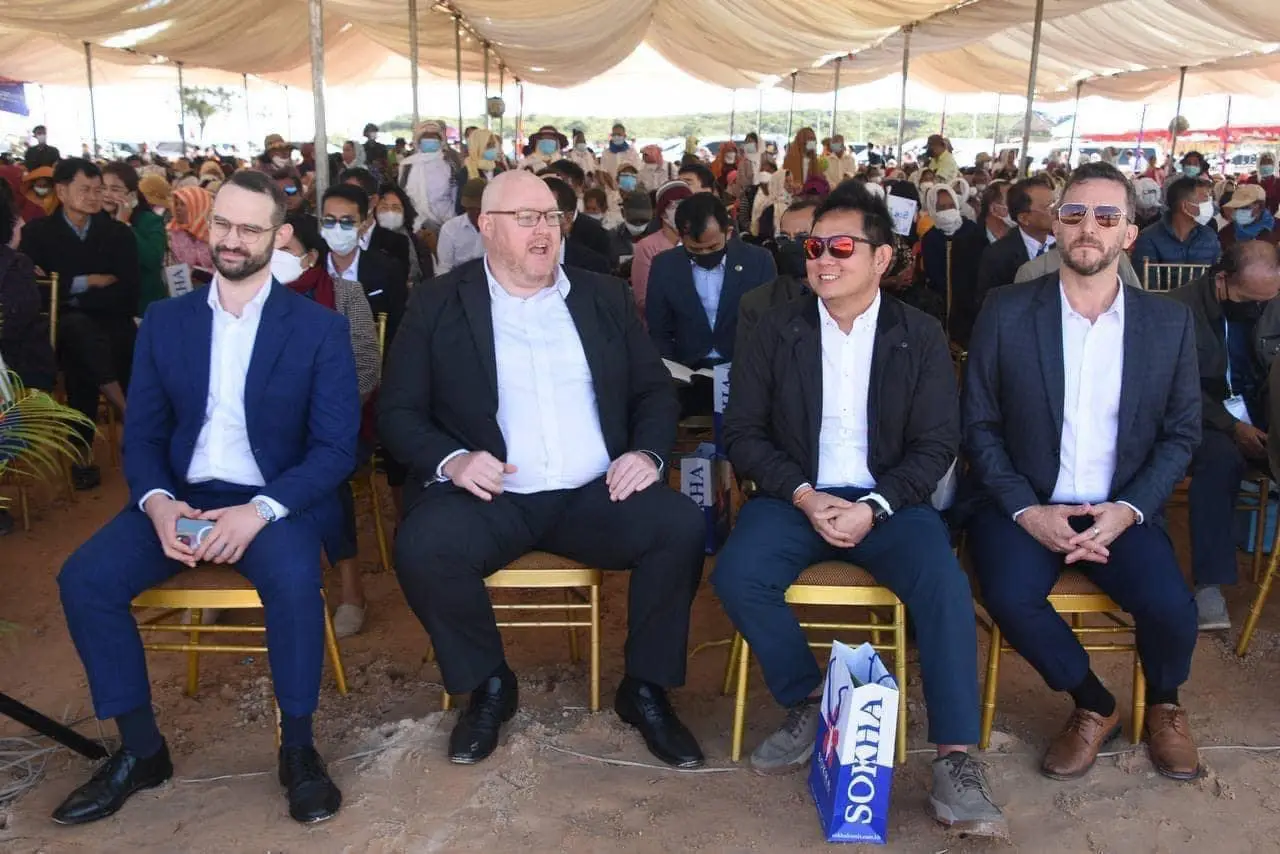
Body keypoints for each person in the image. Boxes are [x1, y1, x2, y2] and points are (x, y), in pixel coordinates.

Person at [53, 170, 359, 826]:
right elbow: (143, 436)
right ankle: (143, 751)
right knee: (84, 579)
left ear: (279, 235)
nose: (231, 239)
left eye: (249, 228)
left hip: (273, 501)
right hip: (183, 498)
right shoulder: (168, 321)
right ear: (206, 225)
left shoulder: (317, 329)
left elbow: (336, 449)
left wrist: (260, 510)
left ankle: (298, 749)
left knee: (295, 580)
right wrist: (158, 503)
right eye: (222, 223)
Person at [378, 170, 707, 769]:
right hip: (493, 495)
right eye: (526, 218)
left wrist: (647, 455)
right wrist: (453, 460)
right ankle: (488, 685)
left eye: (552, 217)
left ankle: (646, 689)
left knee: (679, 526)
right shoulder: (437, 302)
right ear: (486, 226)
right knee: (424, 546)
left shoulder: (602, 296)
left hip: (595, 492)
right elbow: (398, 412)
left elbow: (654, 392)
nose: (544, 230)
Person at [713, 181, 1007, 839]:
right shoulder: (775, 329)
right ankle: (810, 700)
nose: (823, 259)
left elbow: (938, 442)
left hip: (891, 504)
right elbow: (744, 432)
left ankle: (956, 759)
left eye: (841, 247)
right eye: (814, 247)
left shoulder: (919, 334)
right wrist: (804, 494)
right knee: (737, 574)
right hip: (796, 498)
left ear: (882, 258)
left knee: (944, 586)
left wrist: (874, 504)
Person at [963, 162, 1202, 785]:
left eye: (1106, 216)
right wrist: (1026, 510)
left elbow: (1182, 433)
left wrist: (1129, 510)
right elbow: (979, 425)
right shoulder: (1006, 310)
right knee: (1008, 595)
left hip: (1120, 509)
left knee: (1173, 608)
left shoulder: (1168, 324)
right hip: (1026, 504)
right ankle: (1095, 704)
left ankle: (1165, 705)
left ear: (1129, 233)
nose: (1088, 227)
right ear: (1056, 226)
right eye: (1074, 214)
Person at [271, 223, 381, 638]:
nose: (275, 256)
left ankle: (351, 588)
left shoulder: (345, 294)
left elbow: (367, 366)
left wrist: (329, 417)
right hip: (270, 428)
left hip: (339, 424)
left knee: (324, 472)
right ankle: (224, 567)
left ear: (311, 257)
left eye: (286, 247)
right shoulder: (254, 297)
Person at [1168, 242, 1280, 630]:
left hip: (1263, 413)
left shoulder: (1270, 304)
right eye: (1250, 300)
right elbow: (1178, 388)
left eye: (1268, 300)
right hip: (1205, 419)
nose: (1259, 308)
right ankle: (1209, 584)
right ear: (1222, 280)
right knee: (1220, 463)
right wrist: (1232, 426)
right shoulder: (1177, 309)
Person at [18, 158, 137, 491]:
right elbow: (35, 291)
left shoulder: (117, 234)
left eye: (98, 190)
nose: (94, 197)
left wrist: (68, 292)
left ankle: (82, 454)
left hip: (110, 325)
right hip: (61, 331)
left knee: (87, 354)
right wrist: (89, 282)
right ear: (61, 190)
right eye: (85, 189)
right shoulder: (37, 234)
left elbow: (128, 291)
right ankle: (127, 413)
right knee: (76, 337)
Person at [646, 193, 777, 371]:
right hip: (686, 368)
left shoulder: (759, 261)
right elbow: (659, 330)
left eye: (713, 247)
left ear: (728, 232)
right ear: (681, 238)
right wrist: (670, 371)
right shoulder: (664, 265)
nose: (705, 254)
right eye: (695, 249)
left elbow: (770, 322)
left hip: (745, 365)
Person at [320, 185, 408, 348]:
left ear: (364, 224)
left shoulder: (387, 270)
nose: (337, 229)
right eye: (330, 221)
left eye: (347, 222)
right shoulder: (312, 268)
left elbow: (398, 328)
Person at [734, 198, 816, 357]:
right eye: (784, 238)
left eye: (802, 238)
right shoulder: (757, 304)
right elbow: (746, 366)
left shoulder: (851, 298)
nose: (792, 245)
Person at [973, 175, 1056, 310]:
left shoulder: (1064, 247)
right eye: (1050, 207)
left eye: (1057, 203)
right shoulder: (997, 256)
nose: (1058, 211)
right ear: (1024, 218)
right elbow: (990, 307)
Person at [920, 184, 983, 345]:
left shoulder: (972, 231)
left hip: (971, 303)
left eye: (951, 206)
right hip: (941, 306)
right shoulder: (930, 238)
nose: (947, 211)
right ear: (932, 209)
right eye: (941, 208)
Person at [102, 162, 168, 313]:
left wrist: (124, 225)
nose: (107, 194)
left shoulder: (149, 221)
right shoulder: (95, 220)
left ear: (132, 195)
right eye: (103, 188)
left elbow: (152, 259)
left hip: (142, 304)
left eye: (115, 189)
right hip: (106, 305)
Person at [1131, 176, 1221, 280]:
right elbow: (1146, 284)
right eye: (1205, 200)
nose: (1210, 205)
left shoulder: (1210, 236)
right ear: (1185, 206)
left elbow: (1216, 277)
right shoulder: (1148, 239)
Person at [631, 181, 692, 316]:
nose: (685, 212)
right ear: (663, 213)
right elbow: (643, 299)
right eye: (677, 205)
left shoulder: (697, 242)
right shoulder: (647, 247)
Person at [400, 121, 465, 234]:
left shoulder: (449, 164)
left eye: (433, 137)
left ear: (441, 140)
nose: (430, 140)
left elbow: (455, 195)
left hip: (446, 222)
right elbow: (402, 194)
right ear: (418, 140)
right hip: (416, 224)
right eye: (426, 137)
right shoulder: (407, 165)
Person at [543, 176, 610, 274]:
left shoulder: (594, 266)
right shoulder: (518, 262)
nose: (537, 225)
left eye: (549, 216)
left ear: (568, 219)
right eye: (528, 216)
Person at [435, 178, 487, 275]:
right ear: (466, 207)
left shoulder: (498, 228)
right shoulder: (449, 229)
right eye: (472, 208)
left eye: (480, 208)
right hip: (457, 278)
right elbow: (444, 267)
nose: (476, 212)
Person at [168, 186, 216, 283]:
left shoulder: (215, 233)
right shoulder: (172, 233)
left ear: (198, 206)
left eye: (183, 204)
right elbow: (173, 269)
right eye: (176, 204)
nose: (177, 208)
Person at [1220, 184, 1280, 251]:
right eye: (1236, 207)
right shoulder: (1226, 233)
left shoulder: (1277, 228)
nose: (1240, 211)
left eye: (1245, 207)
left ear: (1260, 206)